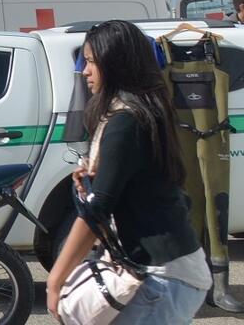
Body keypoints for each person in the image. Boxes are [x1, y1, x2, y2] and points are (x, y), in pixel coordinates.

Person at [44, 20, 207, 325]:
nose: (85, 71)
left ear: (117, 64)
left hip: (162, 275)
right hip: (165, 269)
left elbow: (97, 210)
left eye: (92, 62)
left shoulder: (127, 120)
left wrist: (55, 281)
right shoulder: (140, 112)